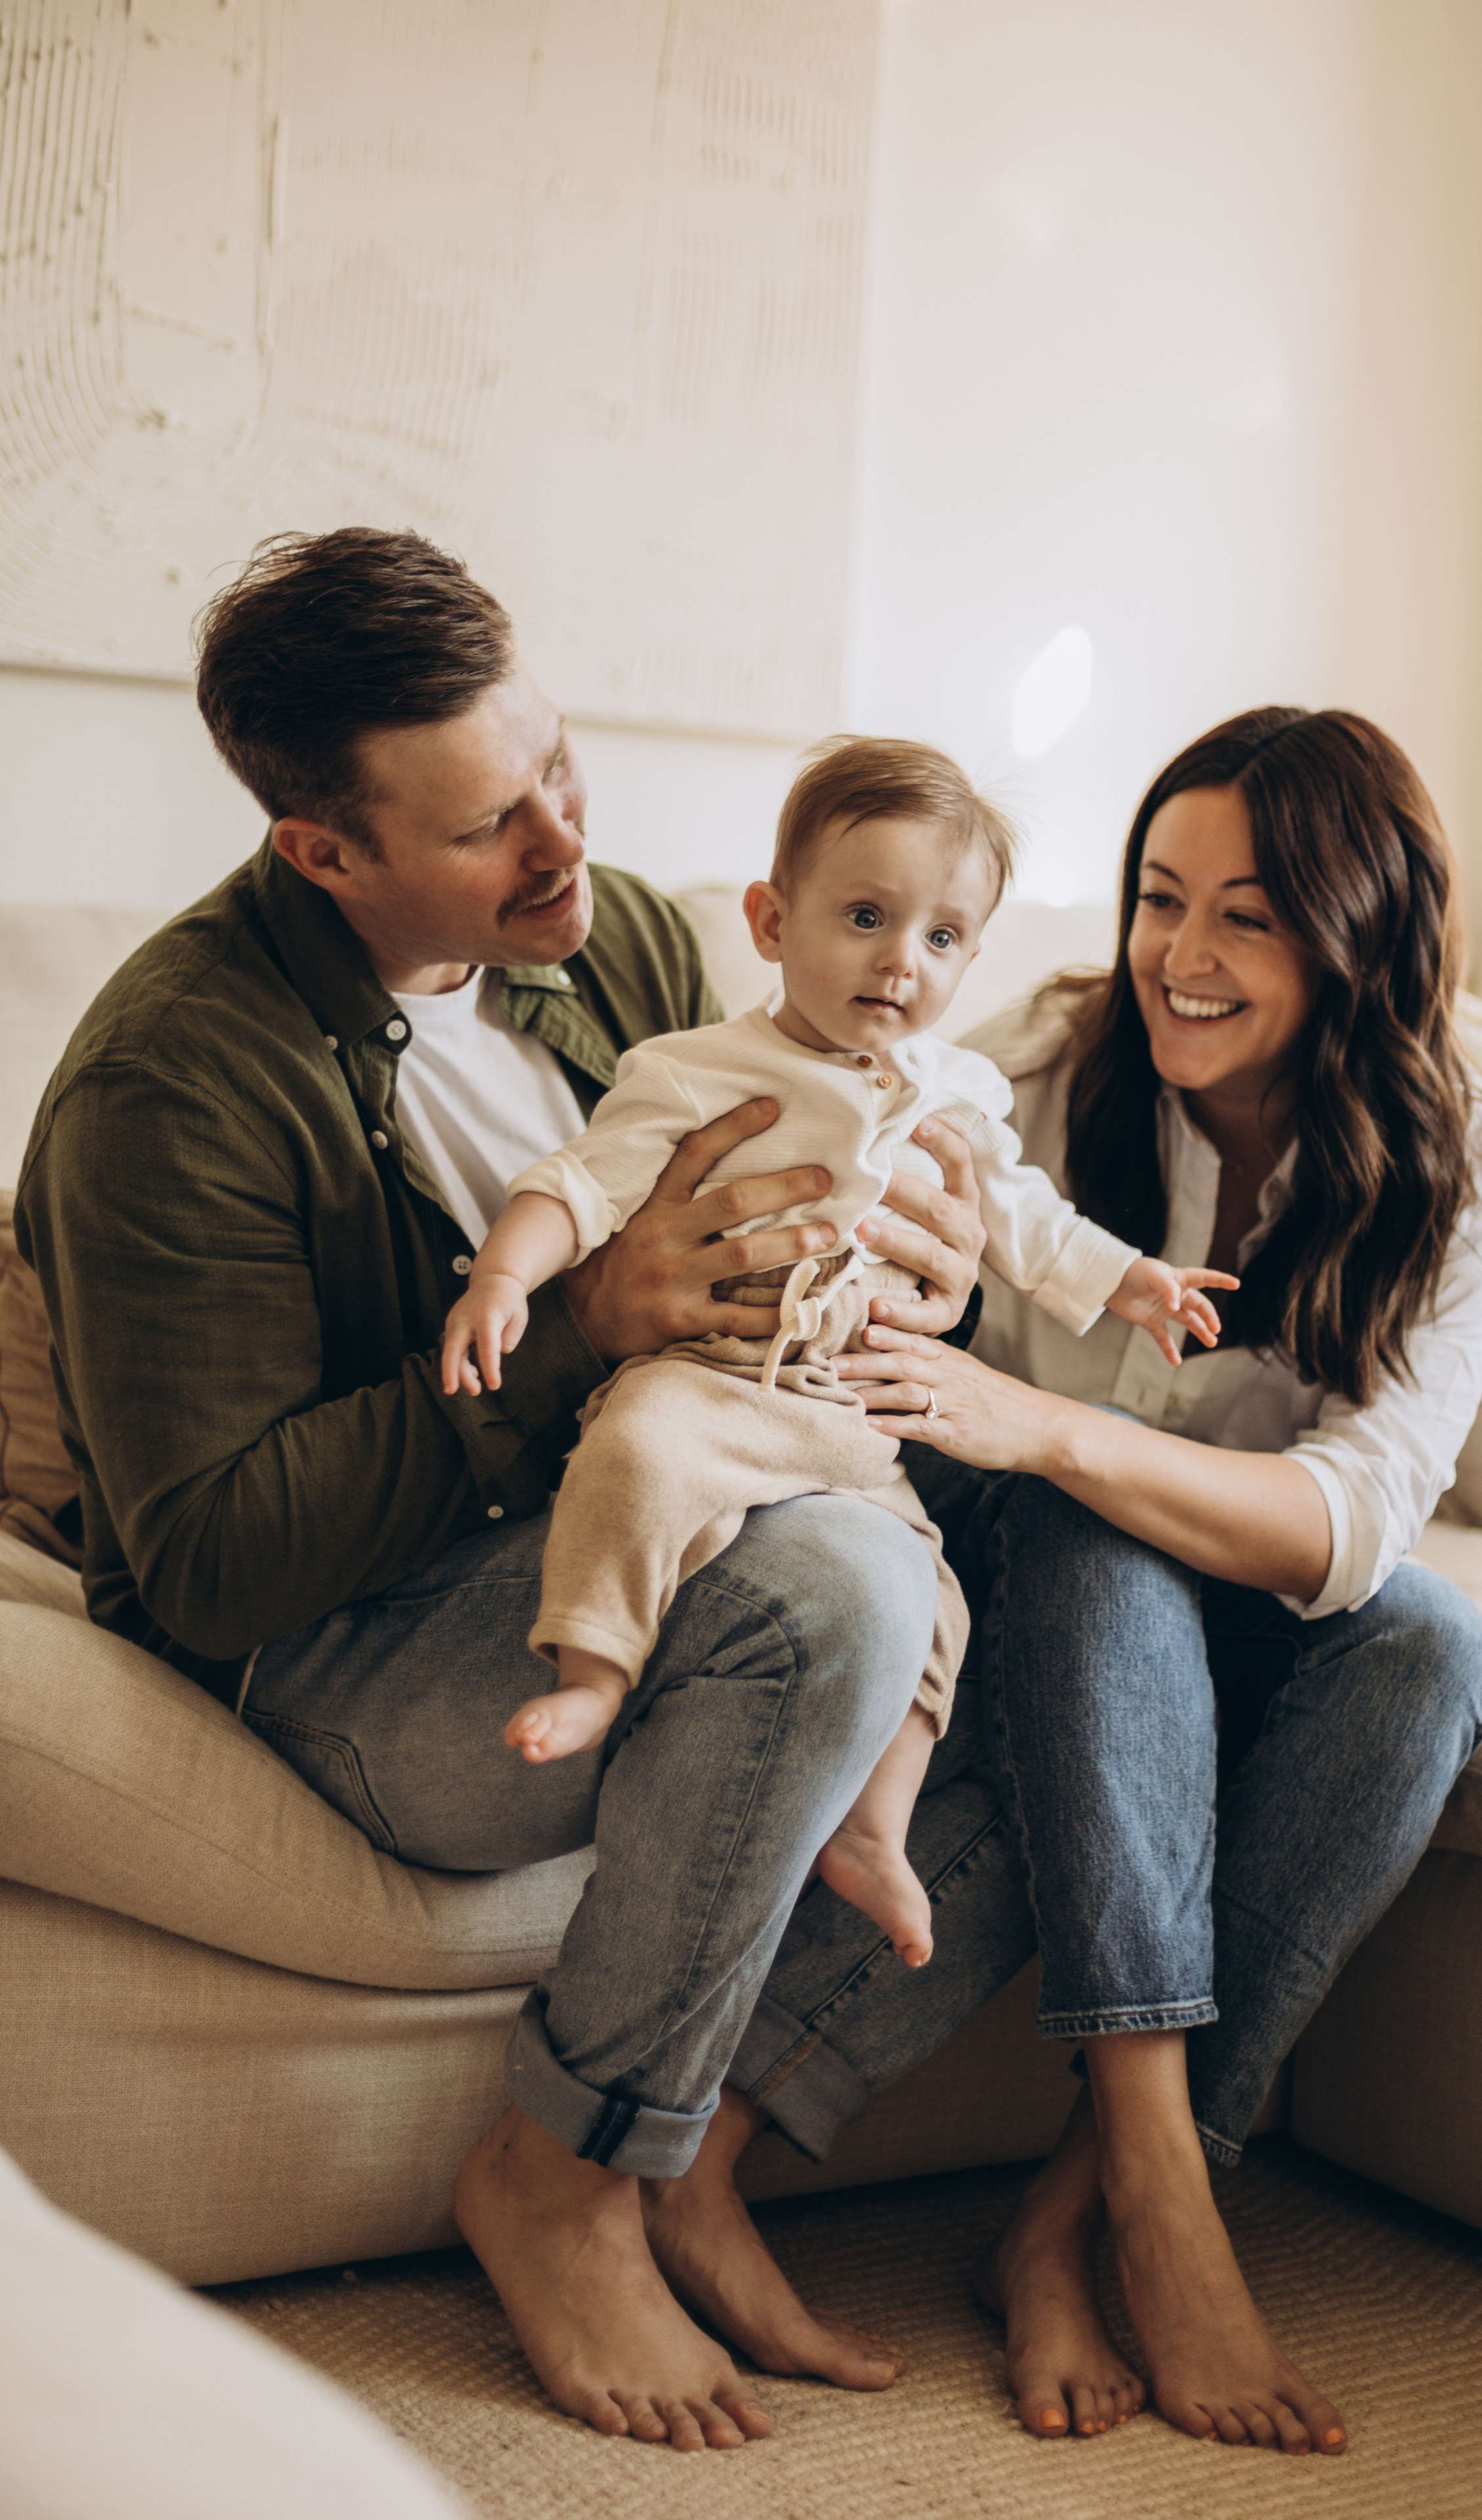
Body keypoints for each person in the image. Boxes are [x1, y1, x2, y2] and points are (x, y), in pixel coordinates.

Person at [13, 527, 1019, 2450]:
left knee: (1070, 1562)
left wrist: (927, 1259)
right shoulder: (175, 1086)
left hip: (661, 1501)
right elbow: (212, 1560)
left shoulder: (614, 940)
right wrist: (582, 1335)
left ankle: (711, 2150)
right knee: (833, 1599)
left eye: (556, 762)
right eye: (493, 821)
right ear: (326, 850)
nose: (561, 840)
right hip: (346, 1636)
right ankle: (562, 2177)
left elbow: (838, 1165)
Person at [823, 707, 1482, 2454]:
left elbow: (1363, 1520)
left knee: (1436, 1648)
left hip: (1191, 1565)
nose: (1183, 956)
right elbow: (874, 1219)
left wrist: (1053, 1426)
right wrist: (916, 1291)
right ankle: (1164, 2183)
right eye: (1161, 898)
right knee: (1090, 1526)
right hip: (1013, 1566)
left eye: (1250, 913)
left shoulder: (1468, 1166)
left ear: (1357, 935)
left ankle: (1069, 2210)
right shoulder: (1046, 1076)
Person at [440, 737, 1233, 1967]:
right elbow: (579, 1186)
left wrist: (1133, 1281)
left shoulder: (955, 1090)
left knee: (926, 1599)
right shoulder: (695, 1070)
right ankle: (594, 1664)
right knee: (634, 1456)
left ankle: (875, 1824)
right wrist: (503, 1277)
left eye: (941, 938)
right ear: (769, 920)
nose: (897, 962)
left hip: (847, 1411)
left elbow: (1026, 1218)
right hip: (710, 1379)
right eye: (865, 916)